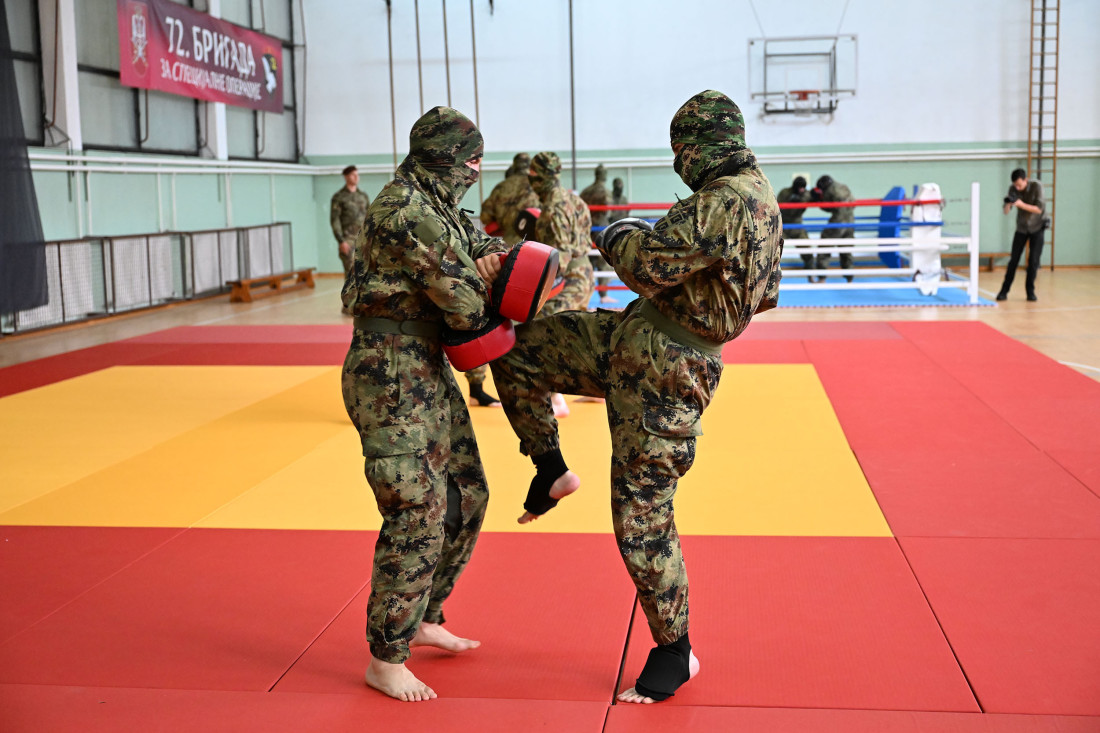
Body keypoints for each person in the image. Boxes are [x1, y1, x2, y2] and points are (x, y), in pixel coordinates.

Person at [490, 90, 782, 703]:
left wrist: (617, 229)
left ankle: (675, 649)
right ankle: (548, 467)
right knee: (519, 349)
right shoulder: (751, 199)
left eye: (682, 151)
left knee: (641, 514)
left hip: (666, 375)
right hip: (631, 341)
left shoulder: (730, 202)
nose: (679, 162)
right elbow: (750, 289)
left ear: (701, 147)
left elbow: (645, 264)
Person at [340, 106, 509, 703]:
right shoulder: (407, 210)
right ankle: (386, 657)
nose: (476, 169)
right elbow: (465, 303)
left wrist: (493, 262)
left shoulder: (437, 205)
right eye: (470, 160)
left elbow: (488, 247)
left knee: (467, 494)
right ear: (444, 157)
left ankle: (424, 614)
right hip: (388, 374)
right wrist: (482, 277)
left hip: (427, 369)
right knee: (417, 510)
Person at [528, 151, 596, 417]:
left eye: (534, 177)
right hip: (585, 274)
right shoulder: (575, 200)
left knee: (546, 331)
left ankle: (555, 399)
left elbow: (562, 255)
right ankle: (597, 389)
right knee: (581, 334)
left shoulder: (554, 207)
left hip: (566, 280)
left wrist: (538, 286)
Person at [996, 168, 1046, 302]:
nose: (1017, 188)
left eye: (1020, 185)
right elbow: (1006, 212)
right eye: (1015, 185)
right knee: (1013, 261)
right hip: (1022, 228)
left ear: (1026, 180)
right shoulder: (1013, 189)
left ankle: (1030, 292)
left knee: (1033, 261)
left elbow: (1038, 209)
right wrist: (1008, 204)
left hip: (1038, 228)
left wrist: (1021, 204)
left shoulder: (1037, 187)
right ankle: (1004, 291)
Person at [479, 152, 538, 246]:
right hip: (536, 242)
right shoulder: (537, 186)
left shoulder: (501, 187)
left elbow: (485, 216)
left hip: (510, 243)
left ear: (514, 166)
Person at [811, 175, 855, 281]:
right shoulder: (843, 186)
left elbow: (828, 207)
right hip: (850, 222)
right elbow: (853, 204)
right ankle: (849, 278)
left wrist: (818, 201)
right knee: (846, 250)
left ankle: (822, 277)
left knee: (824, 247)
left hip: (838, 222)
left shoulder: (830, 190)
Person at [331, 165, 371, 276]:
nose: (356, 177)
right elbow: (335, 220)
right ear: (346, 177)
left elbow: (370, 216)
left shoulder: (363, 196)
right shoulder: (339, 197)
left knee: (366, 274)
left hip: (364, 238)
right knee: (351, 273)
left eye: (357, 175)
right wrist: (341, 241)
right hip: (348, 239)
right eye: (353, 175)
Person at [777, 177, 814, 281]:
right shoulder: (785, 192)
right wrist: (790, 200)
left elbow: (814, 198)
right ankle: (771, 277)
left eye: (803, 188)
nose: (801, 190)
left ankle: (811, 275)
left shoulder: (806, 194)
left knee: (807, 249)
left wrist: (815, 194)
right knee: (774, 249)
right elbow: (777, 206)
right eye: (799, 188)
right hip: (784, 225)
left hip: (797, 226)